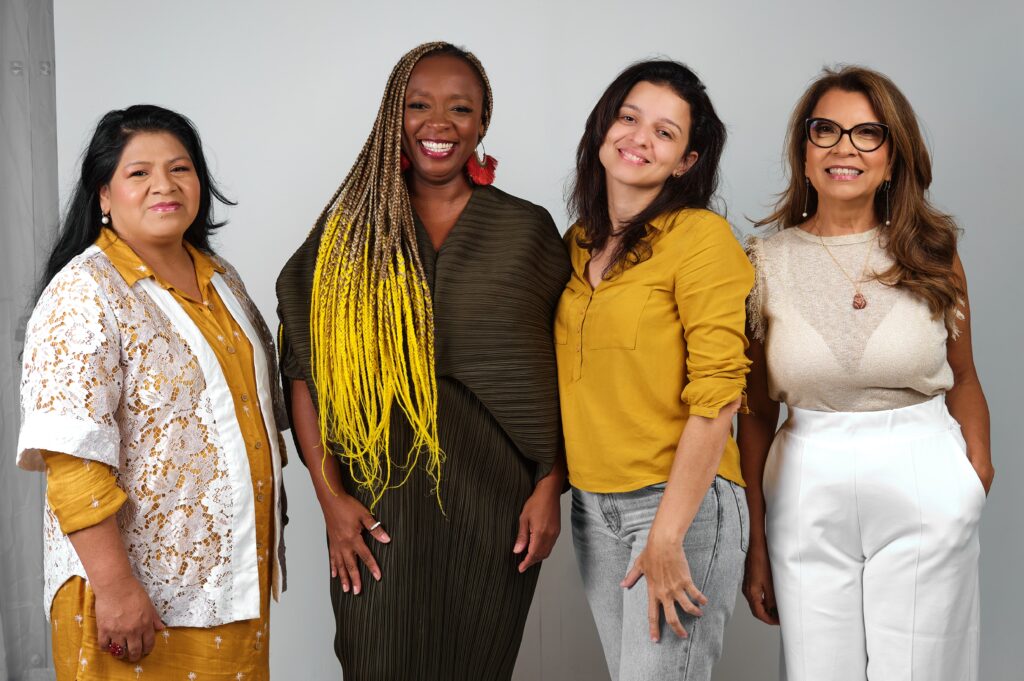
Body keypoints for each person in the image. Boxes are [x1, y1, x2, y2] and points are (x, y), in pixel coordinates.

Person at [276, 41, 569, 681]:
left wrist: (549, 487)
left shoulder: (526, 230)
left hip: (496, 506)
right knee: (378, 659)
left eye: (461, 108)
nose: (439, 124)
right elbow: (304, 371)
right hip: (376, 503)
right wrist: (332, 500)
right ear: (392, 115)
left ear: (483, 123)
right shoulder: (348, 232)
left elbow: (566, 368)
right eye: (419, 105)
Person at [17, 105, 288, 681]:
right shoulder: (84, 293)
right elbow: (71, 463)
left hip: (228, 584)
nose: (163, 185)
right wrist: (116, 590)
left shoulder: (221, 279)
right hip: (134, 597)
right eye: (138, 173)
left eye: (180, 168)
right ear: (105, 195)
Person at [740, 66, 993, 681]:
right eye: (825, 130)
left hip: (922, 468)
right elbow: (753, 410)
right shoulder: (760, 263)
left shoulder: (934, 253)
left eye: (867, 133)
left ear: (892, 157)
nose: (843, 148)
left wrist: (974, 477)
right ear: (803, 152)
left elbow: (963, 378)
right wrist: (756, 538)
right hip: (803, 478)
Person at [556, 60, 753, 681]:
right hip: (594, 511)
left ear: (687, 161)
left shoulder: (701, 239)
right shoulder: (577, 240)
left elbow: (719, 396)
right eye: (629, 117)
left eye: (665, 133)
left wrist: (667, 534)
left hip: (680, 509)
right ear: (603, 127)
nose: (639, 139)